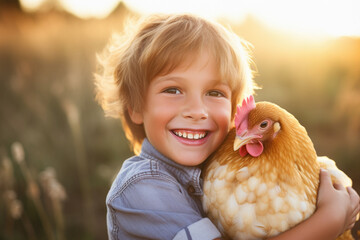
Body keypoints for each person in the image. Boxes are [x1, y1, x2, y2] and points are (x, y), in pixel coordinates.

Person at [95, 13, 360, 240]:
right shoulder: (142, 187)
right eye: (173, 89)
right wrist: (329, 221)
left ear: (235, 110)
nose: (197, 111)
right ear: (135, 108)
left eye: (214, 93)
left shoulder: (219, 168)